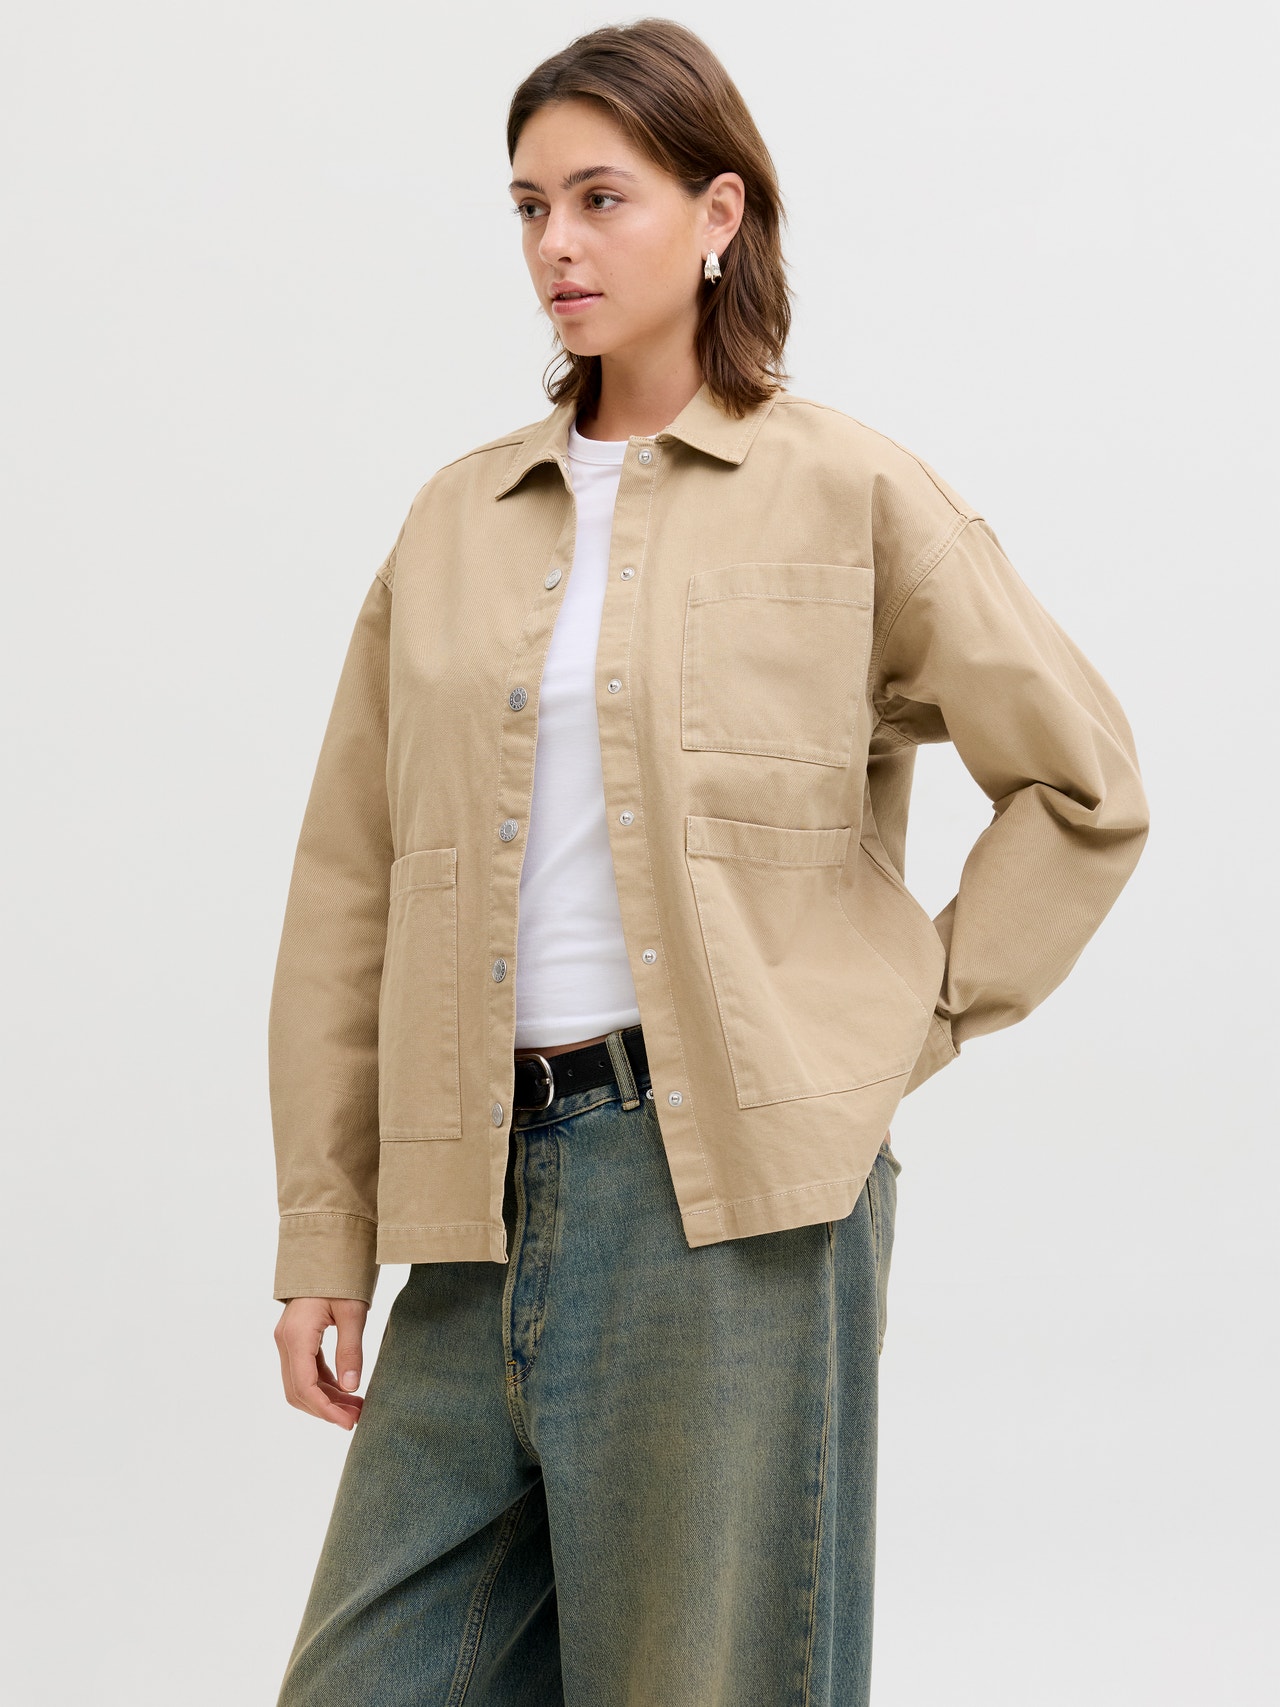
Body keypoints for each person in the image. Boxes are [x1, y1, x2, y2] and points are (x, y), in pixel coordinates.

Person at [267, 18, 1150, 1705]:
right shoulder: (454, 523)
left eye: (602, 198)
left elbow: (1083, 787)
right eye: (530, 207)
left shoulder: (851, 492)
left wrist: (893, 1024)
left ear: (718, 213)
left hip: (728, 1210)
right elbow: (350, 885)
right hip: (470, 1209)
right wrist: (328, 1227)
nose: (558, 245)